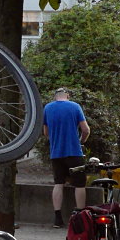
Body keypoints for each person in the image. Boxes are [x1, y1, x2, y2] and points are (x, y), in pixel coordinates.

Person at [42, 88, 90, 227]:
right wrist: (81, 141)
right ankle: (81, 217)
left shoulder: (48, 108)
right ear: (67, 96)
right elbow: (86, 130)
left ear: (55, 96)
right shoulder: (75, 106)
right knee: (80, 184)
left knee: (58, 183)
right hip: (74, 151)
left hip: (56, 153)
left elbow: (46, 132)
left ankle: (58, 218)